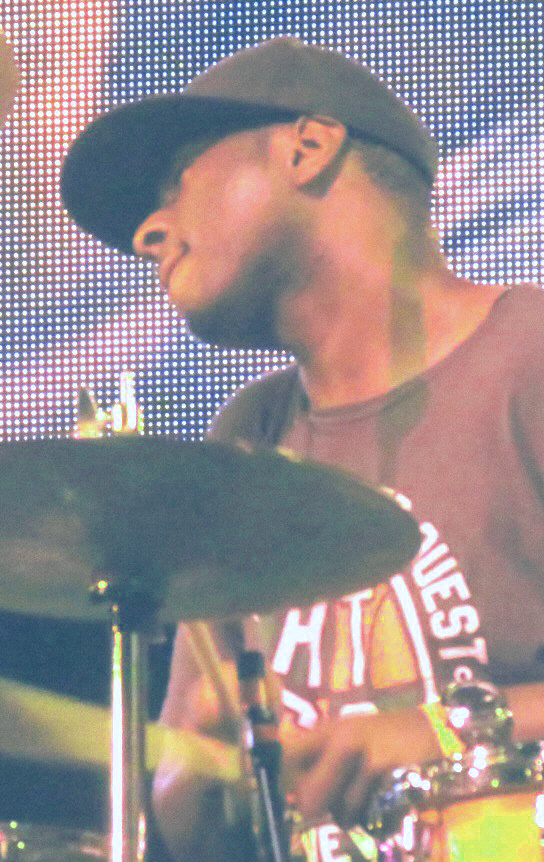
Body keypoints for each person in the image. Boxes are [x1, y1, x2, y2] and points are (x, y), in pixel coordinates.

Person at [61, 36, 544, 861]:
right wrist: (207, 763)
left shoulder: (528, 356)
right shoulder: (244, 443)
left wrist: (440, 727)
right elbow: (188, 827)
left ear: (306, 148)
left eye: (176, 184)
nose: (147, 233)